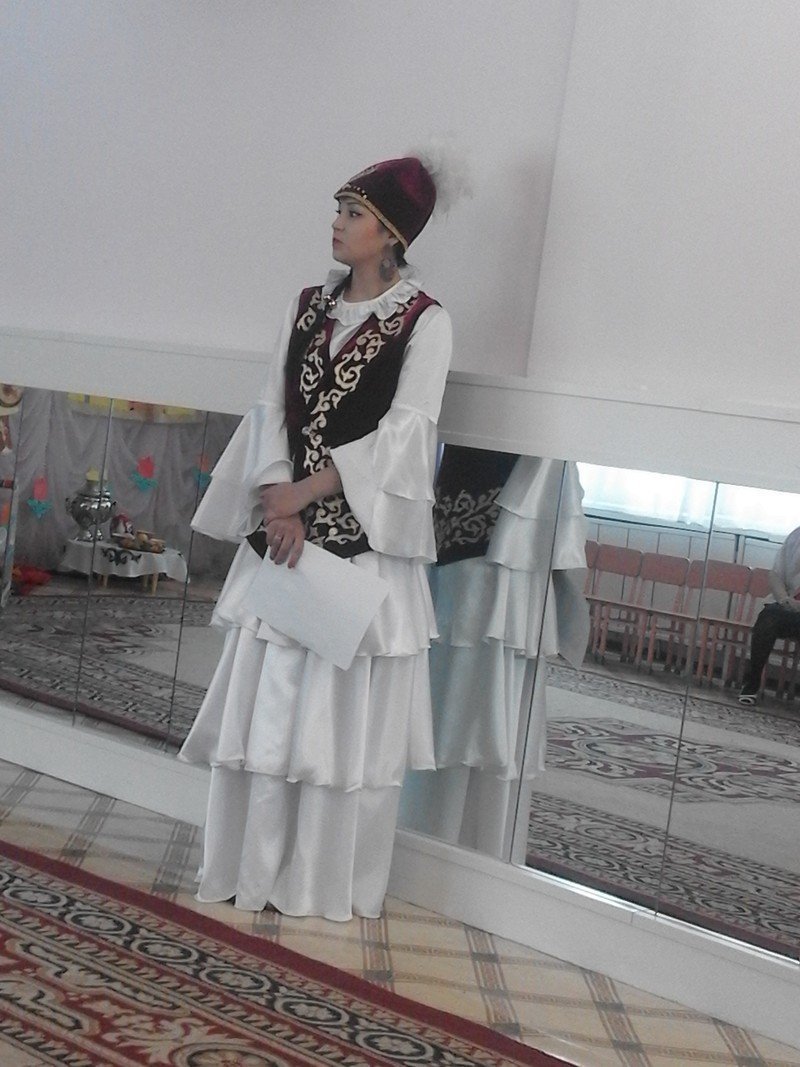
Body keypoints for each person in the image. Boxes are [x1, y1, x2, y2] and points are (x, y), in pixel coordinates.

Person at [178, 156, 453, 920]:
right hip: (286, 541)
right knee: (267, 714)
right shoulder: (306, 308)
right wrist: (279, 498)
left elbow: (405, 438)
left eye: (353, 212)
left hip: (359, 554)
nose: (336, 223)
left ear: (390, 233)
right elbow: (271, 406)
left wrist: (305, 492)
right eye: (338, 208)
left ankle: (315, 884)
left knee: (333, 729)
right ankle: (249, 871)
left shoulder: (425, 322)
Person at [739, 524, 800, 705]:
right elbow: (775, 574)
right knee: (768, 618)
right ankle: (752, 682)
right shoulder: (796, 536)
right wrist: (784, 599)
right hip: (789, 603)